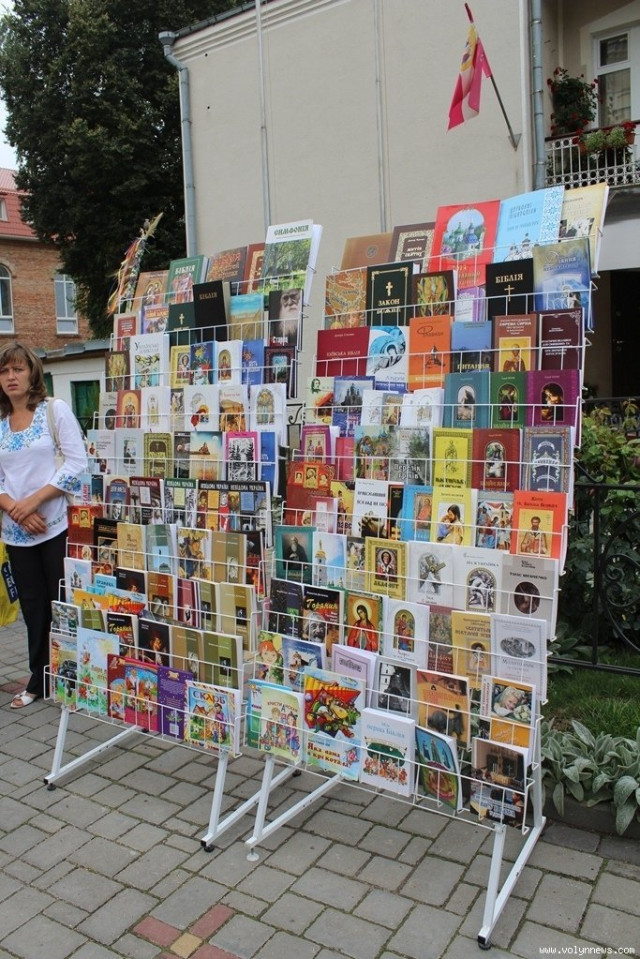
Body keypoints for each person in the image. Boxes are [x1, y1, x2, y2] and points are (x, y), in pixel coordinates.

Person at [0, 342, 87, 708]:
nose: (11, 377)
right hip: (16, 532)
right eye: (4, 371)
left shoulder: (54, 410)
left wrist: (33, 502)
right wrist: (17, 510)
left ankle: (76, 678)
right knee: (33, 608)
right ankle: (40, 679)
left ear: (32, 372)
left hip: (54, 526)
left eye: (17, 369)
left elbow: (77, 462)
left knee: (62, 602)